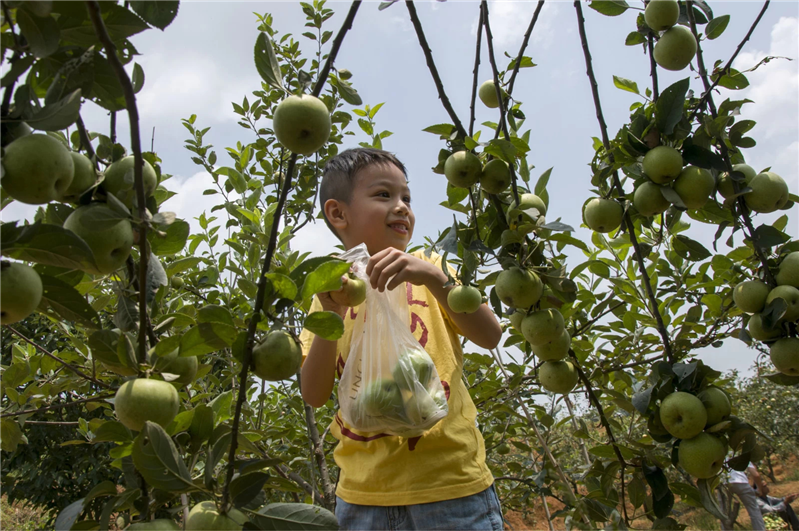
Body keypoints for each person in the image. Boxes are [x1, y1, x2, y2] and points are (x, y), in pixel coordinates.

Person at [299, 148, 504, 530]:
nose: (401, 207)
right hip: (363, 495)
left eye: (406, 197)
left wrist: (430, 275)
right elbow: (313, 393)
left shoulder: (433, 269)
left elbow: (490, 335)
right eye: (384, 195)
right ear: (338, 213)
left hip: (452, 485)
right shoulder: (327, 292)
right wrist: (331, 314)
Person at [724, 462, 768, 531]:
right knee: (754, 511)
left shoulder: (719, 454)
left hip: (724, 483)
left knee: (723, 513)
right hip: (741, 482)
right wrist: (759, 489)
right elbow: (755, 475)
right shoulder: (742, 454)